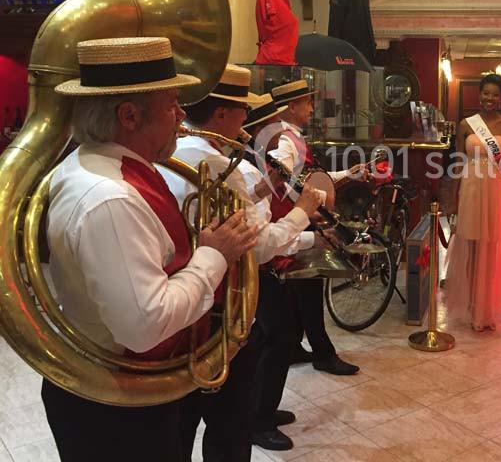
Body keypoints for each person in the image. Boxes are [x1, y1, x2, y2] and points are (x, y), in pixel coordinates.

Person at [43, 37, 258, 462]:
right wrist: (214, 254)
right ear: (129, 115)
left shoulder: (93, 163)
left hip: (113, 394)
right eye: (172, 104)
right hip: (117, 408)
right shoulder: (113, 197)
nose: (182, 117)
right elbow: (144, 325)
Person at [165, 66, 325, 456]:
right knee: (230, 431)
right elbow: (258, 245)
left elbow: (210, 217)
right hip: (220, 313)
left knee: (181, 428)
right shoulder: (218, 166)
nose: (248, 123)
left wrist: (256, 191)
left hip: (185, 316)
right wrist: (304, 212)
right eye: (242, 112)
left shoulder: (178, 154)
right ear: (222, 115)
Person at [259, 79, 366, 375]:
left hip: (296, 222)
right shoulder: (283, 141)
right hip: (293, 225)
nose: (311, 107)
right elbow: (280, 178)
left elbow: (304, 176)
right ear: (291, 107)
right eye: (307, 102)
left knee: (302, 288)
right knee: (309, 285)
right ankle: (322, 352)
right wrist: (306, 204)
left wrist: (346, 173)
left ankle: (298, 346)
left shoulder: (289, 137)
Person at [444, 73, 501, 331]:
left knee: (492, 246)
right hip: (471, 187)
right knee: (472, 246)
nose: (490, 98)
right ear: (480, 94)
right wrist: (452, 197)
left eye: (495, 94)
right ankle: (472, 305)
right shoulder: (466, 124)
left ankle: (486, 307)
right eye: (486, 93)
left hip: (494, 189)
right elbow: (457, 162)